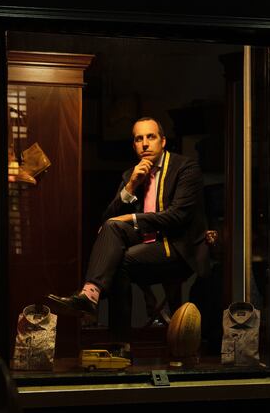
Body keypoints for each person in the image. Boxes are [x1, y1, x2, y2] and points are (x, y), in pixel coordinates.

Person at [46, 117, 211, 342]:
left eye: (151, 137)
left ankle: (118, 342)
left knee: (119, 261)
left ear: (163, 141)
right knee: (116, 245)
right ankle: (90, 296)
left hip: (178, 249)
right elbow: (108, 222)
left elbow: (177, 216)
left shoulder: (185, 168)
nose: (145, 143)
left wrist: (131, 217)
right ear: (134, 145)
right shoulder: (131, 175)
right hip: (145, 247)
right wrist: (132, 185)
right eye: (139, 139)